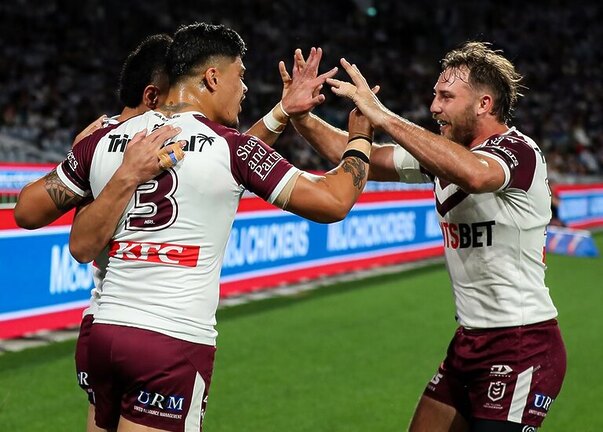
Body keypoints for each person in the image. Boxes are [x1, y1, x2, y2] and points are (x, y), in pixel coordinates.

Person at [50, 22, 371, 432]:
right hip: (171, 340)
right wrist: (360, 138)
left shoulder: (108, 138)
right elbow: (334, 200)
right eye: (241, 77)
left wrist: (282, 114)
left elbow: (51, 223)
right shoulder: (229, 146)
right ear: (212, 77)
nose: (245, 90)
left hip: (104, 331)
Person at [291, 42, 566, 431]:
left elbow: (474, 174)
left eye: (446, 96)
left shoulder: (518, 151)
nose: (434, 106)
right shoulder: (443, 153)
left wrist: (383, 116)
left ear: (484, 104)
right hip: (469, 343)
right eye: (435, 95)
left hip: (523, 344)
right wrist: (299, 115)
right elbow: (350, 152)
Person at [14, 33, 176, 432]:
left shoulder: (98, 138)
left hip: (99, 325)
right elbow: (239, 154)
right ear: (153, 96)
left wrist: (78, 160)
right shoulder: (173, 138)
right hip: (159, 333)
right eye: (179, 95)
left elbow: (26, 211)